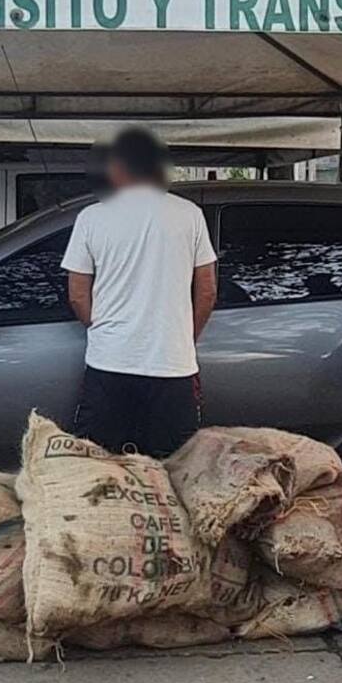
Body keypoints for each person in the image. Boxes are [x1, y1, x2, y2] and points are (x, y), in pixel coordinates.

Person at [61, 127, 217, 458]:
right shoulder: (189, 215)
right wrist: (182, 339)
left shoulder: (91, 217)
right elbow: (207, 292)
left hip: (109, 364)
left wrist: (104, 328)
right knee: (175, 468)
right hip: (172, 368)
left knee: (100, 466)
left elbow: (77, 294)